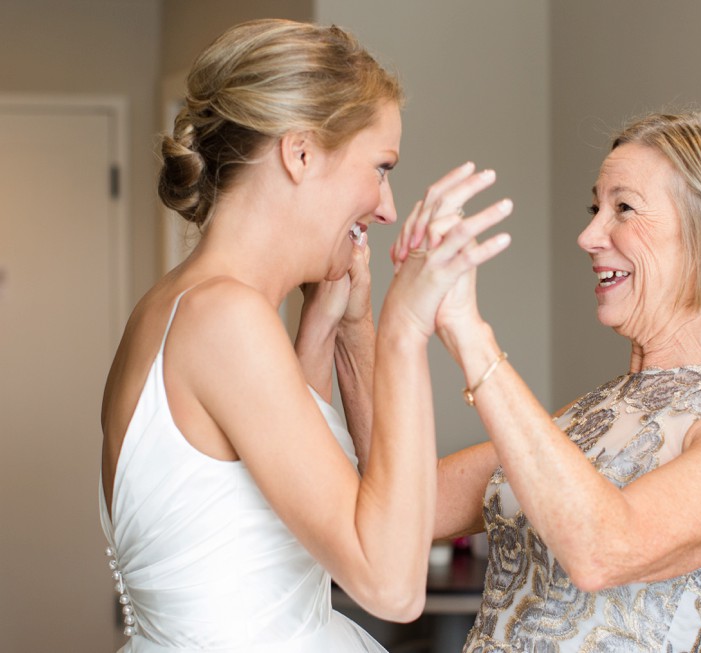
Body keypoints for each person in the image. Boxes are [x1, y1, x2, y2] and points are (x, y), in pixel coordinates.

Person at [98, 19, 512, 652]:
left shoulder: (181, 306)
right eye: (380, 167)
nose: (387, 207)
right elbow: (393, 587)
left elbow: (290, 508)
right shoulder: (224, 321)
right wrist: (406, 328)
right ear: (300, 154)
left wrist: (341, 325)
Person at [399, 109, 701, 652]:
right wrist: (359, 316)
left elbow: (606, 552)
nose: (589, 235)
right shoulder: (595, 410)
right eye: (596, 207)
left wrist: (470, 335)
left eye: (624, 208)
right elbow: (408, 507)